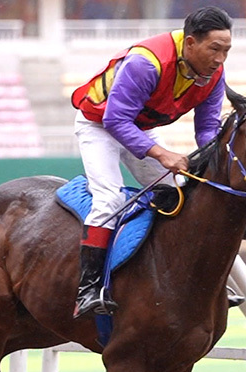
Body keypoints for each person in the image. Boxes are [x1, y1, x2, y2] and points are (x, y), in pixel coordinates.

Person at [70, 6, 233, 317]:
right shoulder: (146, 63)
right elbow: (115, 121)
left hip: (139, 128)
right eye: (214, 49)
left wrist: (217, 164)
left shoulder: (214, 75)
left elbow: (208, 130)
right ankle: (87, 290)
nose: (220, 59)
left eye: (226, 51)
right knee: (108, 199)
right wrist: (162, 154)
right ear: (190, 44)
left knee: (182, 192)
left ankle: (203, 283)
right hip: (100, 125)